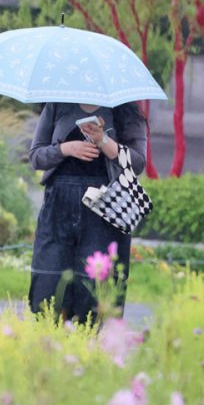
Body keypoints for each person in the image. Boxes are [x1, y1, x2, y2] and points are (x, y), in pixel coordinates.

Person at [27, 101, 148, 324]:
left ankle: (92, 354)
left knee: (95, 296)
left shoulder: (124, 110)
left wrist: (103, 140)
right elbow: (36, 157)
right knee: (48, 288)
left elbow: (138, 163)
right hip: (58, 209)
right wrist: (67, 148)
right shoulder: (57, 105)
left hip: (105, 211)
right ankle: (47, 353)